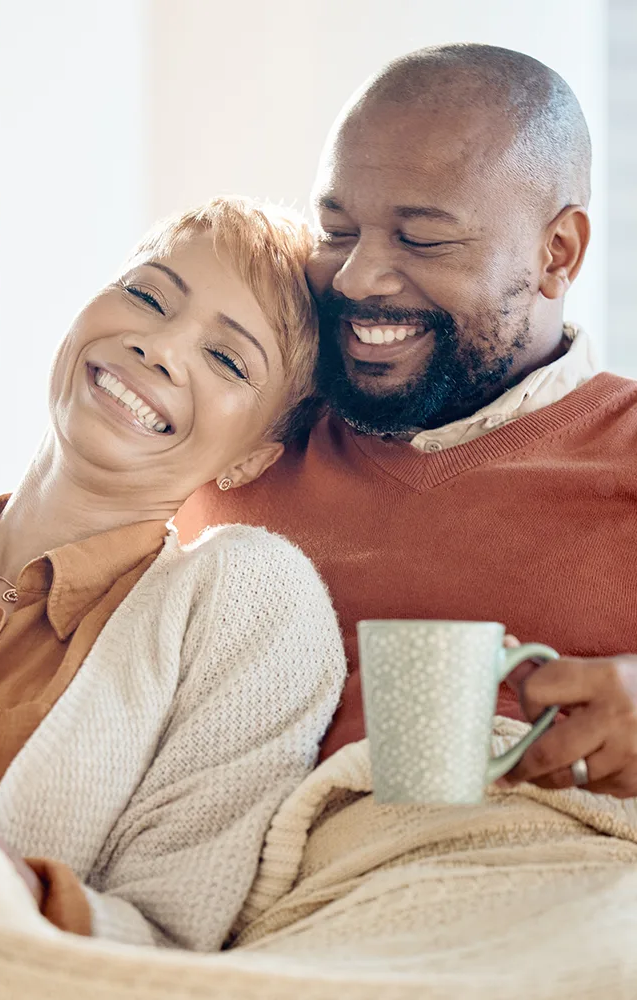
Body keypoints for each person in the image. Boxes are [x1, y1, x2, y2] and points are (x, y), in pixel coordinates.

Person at [178, 44, 637, 799]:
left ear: (558, 252)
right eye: (336, 231)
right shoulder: (243, 430)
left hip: (538, 888)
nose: (357, 277)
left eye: (421, 238)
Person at [0, 196, 346, 949]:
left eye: (228, 359)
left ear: (252, 459)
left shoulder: (244, 606)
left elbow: (161, 946)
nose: (161, 347)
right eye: (147, 296)